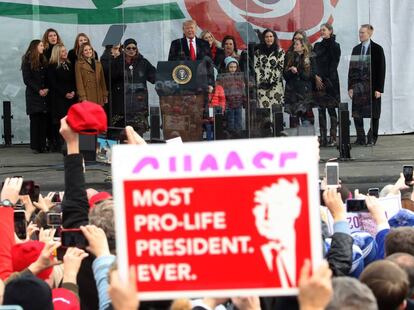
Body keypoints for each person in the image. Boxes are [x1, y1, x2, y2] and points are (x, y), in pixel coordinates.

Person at [348, 24, 386, 146]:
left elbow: (381, 69)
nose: (360, 35)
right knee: (357, 114)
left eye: (362, 33)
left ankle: (372, 138)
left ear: (370, 34)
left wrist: (379, 89)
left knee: (374, 114)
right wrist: (350, 87)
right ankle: (360, 138)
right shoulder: (356, 49)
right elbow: (351, 70)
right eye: (359, 32)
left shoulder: (377, 49)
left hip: (372, 87)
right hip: (358, 87)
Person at [111, 38, 156, 135]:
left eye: (134, 48)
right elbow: (111, 77)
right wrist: (117, 61)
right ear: (123, 49)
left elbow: (154, 77)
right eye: (129, 48)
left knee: (138, 135)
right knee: (122, 135)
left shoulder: (143, 62)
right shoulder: (117, 62)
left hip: (139, 106)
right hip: (121, 105)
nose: (131, 50)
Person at [313, 22, 341, 147]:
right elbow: (313, 62)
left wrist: (325, 78)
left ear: (330, 31)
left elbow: (334, 63)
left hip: (331, 81)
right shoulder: (317, 45)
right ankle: (323, 137)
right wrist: (316, 76)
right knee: (321, 110)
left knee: (331, 109)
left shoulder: (335, 45)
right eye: (321, 30)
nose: (322, 32)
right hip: (319, 81)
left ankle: (333, 137)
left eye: (324, 30)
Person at [47, 43, 77, 152]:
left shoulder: (69, 64)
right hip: (59, 98)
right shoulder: (52, 66)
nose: (65, 53)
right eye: (63, 51)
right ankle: (60, 144)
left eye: (65, 51)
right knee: (61, 121)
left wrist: (73, 91)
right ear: (57, 53)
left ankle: (70, 142)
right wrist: (65, 93)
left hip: (71, 97)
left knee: (71, 120)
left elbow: (74, 79)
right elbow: (53, 83)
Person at [21, 39, 49, 154]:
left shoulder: (43, 59)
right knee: (35, 120)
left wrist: (47, 88)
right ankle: (36, 146)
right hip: (34, 95)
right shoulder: (27, 61)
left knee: (43, 120)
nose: (43, 47)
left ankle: (42, 145)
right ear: (35, 47)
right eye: (41, 45)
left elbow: (47, 77)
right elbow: (27, 79)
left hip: (44, 93)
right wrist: (38, 90)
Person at [284, 38, 315, 128]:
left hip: (304, 94)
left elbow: (308, 76)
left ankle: (307, 140)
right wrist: (290, 71)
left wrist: (297, 71)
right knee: (294, 121)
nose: (294, 46)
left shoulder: (309, 58)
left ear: (303, 46)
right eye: (294, 44)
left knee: (306, 121)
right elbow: (285, 75)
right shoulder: (290, 57)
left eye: (296, 44)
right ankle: (295, 141)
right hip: (293, 93)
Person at [254, 28, 285, 109]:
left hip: (275, 86)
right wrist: (262, 80)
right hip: (262, 87)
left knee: (276, 112)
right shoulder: (258, 52)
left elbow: (280, 68)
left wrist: (271, 81)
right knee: (264, 113)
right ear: (263, 39)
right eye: (266, 37)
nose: (269, 38)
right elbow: (256, 67)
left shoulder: (280, 52)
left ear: (274, 38)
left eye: (271, 36)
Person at [219, 57, 245, 137]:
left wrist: (243, 99)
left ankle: (238, 135)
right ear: (227, 67)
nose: (233, 69)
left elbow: (242, 89)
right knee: (231, 121)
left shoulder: (239, 77)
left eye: (234, 67)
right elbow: (223, 90)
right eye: (231, 67)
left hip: (238, 102)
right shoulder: (224, 77)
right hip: (229, 103)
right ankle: (232, 136)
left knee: (238, 120)